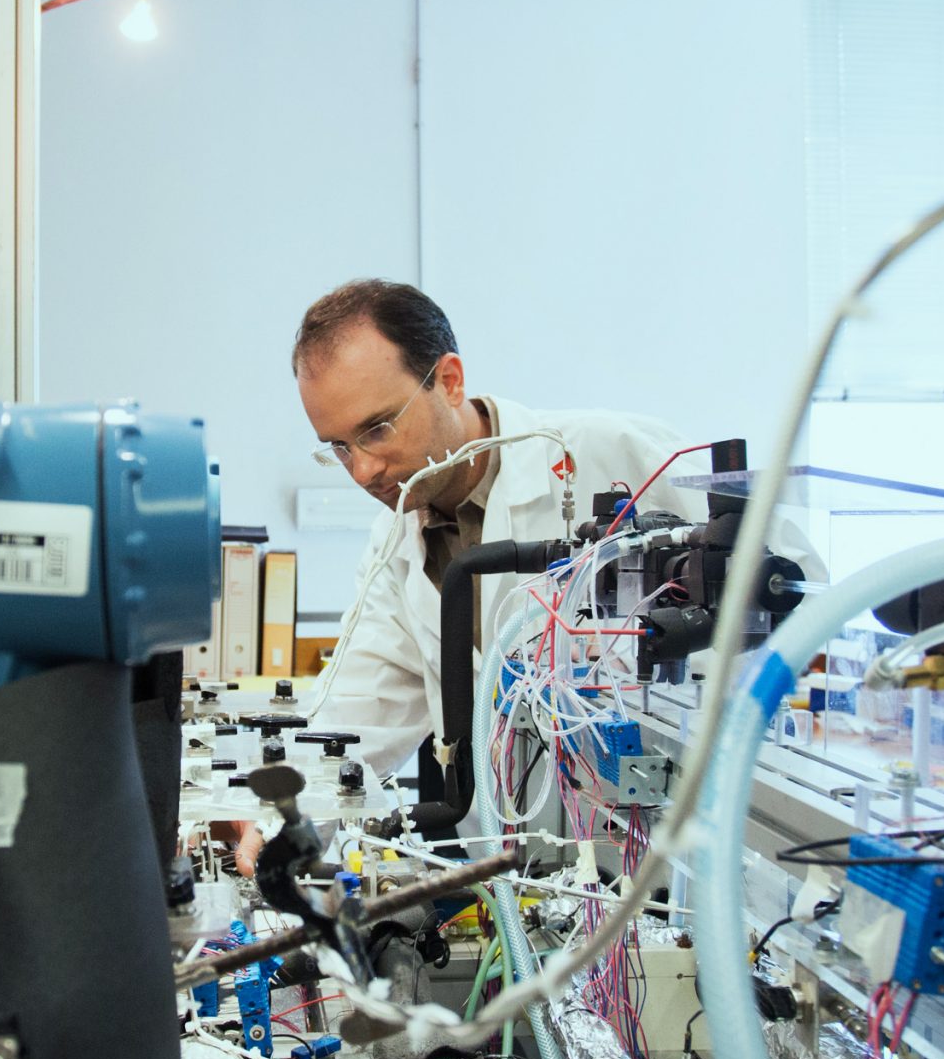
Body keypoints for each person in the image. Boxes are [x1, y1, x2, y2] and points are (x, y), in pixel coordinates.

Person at [291, 279, 812, 792]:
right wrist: (280, 807)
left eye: (377, 428)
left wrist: (666, 660)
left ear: (449, 381)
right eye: (338, 446)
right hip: (509, 840)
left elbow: (797, 587)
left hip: (658, 813)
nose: (361, 471)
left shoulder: (608, 451)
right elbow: (363, 709)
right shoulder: (395, 540)